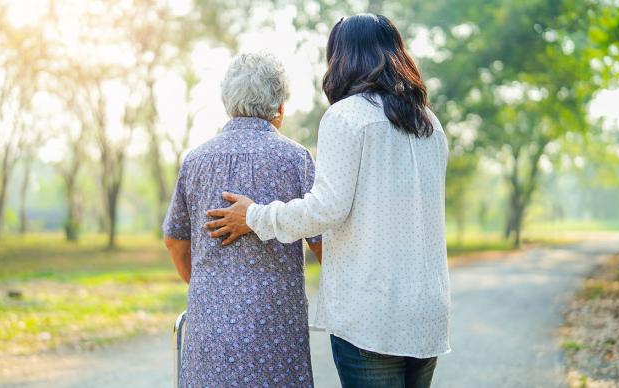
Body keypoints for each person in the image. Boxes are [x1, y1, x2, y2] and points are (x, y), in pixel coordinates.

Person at [204, 14, 450, 388]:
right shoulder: (429, 123)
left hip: (372, 314)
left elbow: (325, 209)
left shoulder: (347, 116)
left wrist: (254, 215)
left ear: (341, 59)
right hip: (426, 310)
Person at [162, 52, 322, 387]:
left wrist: (209, 290)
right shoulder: (296, 160)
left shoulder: (196, 161)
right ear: (279, 107)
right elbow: (322, 243)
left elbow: (175, 240)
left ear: (227, 102)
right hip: (277, 327)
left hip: (210, 325)